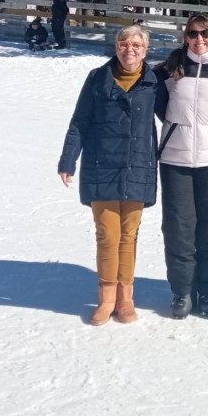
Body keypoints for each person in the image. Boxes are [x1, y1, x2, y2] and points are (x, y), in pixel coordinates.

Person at [58, 25, 158, 326]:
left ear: (145, 49)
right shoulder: (97, 79)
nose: (130, 49)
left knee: (129, 237)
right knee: (107, 236)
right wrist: (68, 160)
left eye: (137, 44)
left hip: (138, 167)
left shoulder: (155, 83)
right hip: (101, 167)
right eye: (124, 43)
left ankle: (126, 299)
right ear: (116, 46)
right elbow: (80, 122)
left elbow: (178, 114)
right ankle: (106, 299)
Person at [154, 14, 208, 319]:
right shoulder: (170, 68)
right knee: (178, 227)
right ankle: (182, 291)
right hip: (175, 159)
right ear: (185, 36)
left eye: (205, 33)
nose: (199, 38)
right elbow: (156, 103)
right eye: (193, 33)